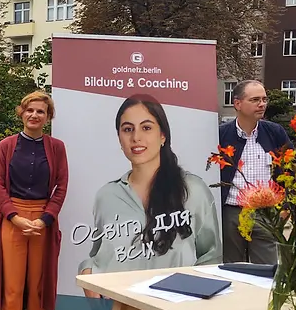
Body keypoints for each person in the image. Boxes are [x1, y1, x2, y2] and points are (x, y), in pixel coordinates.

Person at [78, 94, 221, 295]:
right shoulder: (107, 195)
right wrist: (86, 270)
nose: (136, 137)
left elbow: (211, 257)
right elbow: (100, 254)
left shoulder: (193, 190)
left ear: (162, 135)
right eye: (128, 129)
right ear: (119, 137)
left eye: (146, 128)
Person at [0, 91, 68, 310]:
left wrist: (46, 218)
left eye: (41, 112)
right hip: (13, 220)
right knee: (12, 285)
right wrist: (15, 217)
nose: (35, 115)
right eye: (30, 110)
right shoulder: (7, 146)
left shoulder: (56, 147)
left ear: (48, 117)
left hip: (43, 222)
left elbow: (61, 187)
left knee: (38, 285)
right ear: (21, 113)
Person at [220, 79, 292, 264]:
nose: (262, 104)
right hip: (231, 213)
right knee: (232, 268)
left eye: (264, 99)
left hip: (266, 213)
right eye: (255, 100)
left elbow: (293, 169)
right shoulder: (221, 135)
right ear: (237, 104)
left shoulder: (275, 133)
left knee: (267, 270)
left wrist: (287, 208)